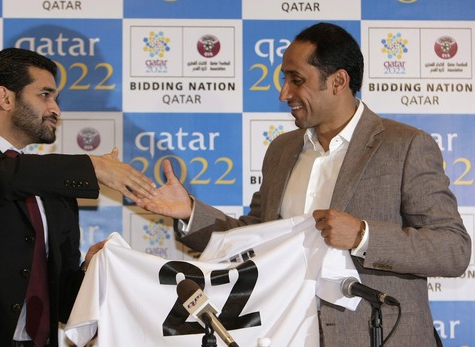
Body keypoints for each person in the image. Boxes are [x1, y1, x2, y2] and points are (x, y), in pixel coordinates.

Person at [140, 22, 471, 346]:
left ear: (339, 81)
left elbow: (453, 249)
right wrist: (189, 212)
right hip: (285, 334)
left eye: (296, 80)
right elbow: (253, 239)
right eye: (285, 79)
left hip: (377, 336)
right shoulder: (281, 150)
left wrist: (363, 236)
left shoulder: (405, 145)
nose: (284, 93)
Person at [0, 47, 156, 347]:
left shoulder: (56, 186)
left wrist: (89, 270)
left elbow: (61, 301)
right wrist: (92, 165)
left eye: (56, 99)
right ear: (5, 98)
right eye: (45, 95)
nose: (56, 110)